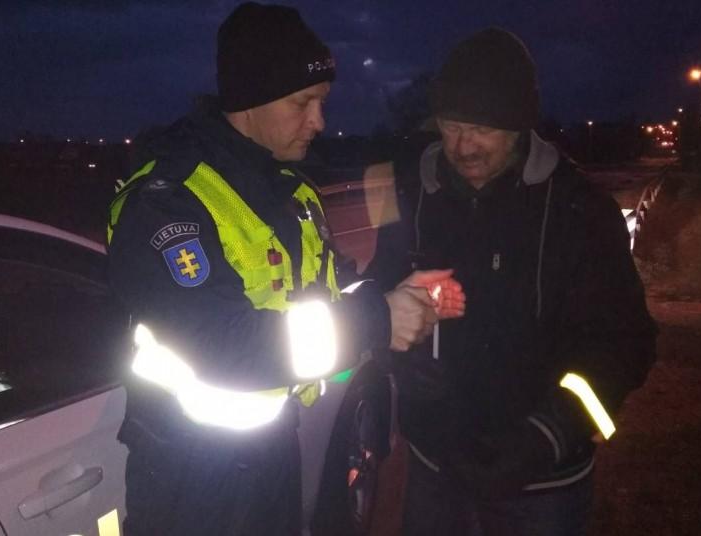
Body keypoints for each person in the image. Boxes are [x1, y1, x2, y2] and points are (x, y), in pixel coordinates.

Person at [105, 3, 464, 535]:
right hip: (190, 482)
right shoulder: (168, 203)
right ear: (250, 100)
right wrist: (378, 319)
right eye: (302, 103)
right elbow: (222, 343)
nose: (319, 121)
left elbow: (324, 295)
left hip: (272, 454)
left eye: (322, 102)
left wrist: (396, 294)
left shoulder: (291, 193)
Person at [363, 28, 657, 535]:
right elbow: (380, 295)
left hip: (544, 484)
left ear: (519, 125)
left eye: (481, 128)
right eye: (451, 126)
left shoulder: (580, 211)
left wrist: (549, 433)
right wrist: (398, 360)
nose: (462, 146)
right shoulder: (411, 196)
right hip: (436, 468)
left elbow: (626, 343)